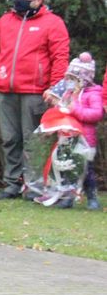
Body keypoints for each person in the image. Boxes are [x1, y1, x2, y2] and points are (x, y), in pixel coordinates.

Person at [0, 0, 70, 199]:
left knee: (34, 140)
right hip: (5, 89)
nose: (18, 1)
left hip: (36, 92)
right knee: (10, 139)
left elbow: (60, 57)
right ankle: (12, 182)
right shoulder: (5, 21)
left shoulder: (53, 23)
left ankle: (34, 184)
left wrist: (55, 89)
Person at [47, 53, 102, 209]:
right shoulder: (68, 94)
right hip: (67, 138)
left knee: (86, 171)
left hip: (85, 140)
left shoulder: (93, 94)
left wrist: (74, 109)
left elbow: (96, 114)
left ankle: (92, 197)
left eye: (73, 78)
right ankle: (68, 197)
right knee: (67, 168)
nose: (69, 82)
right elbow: (62, 109)